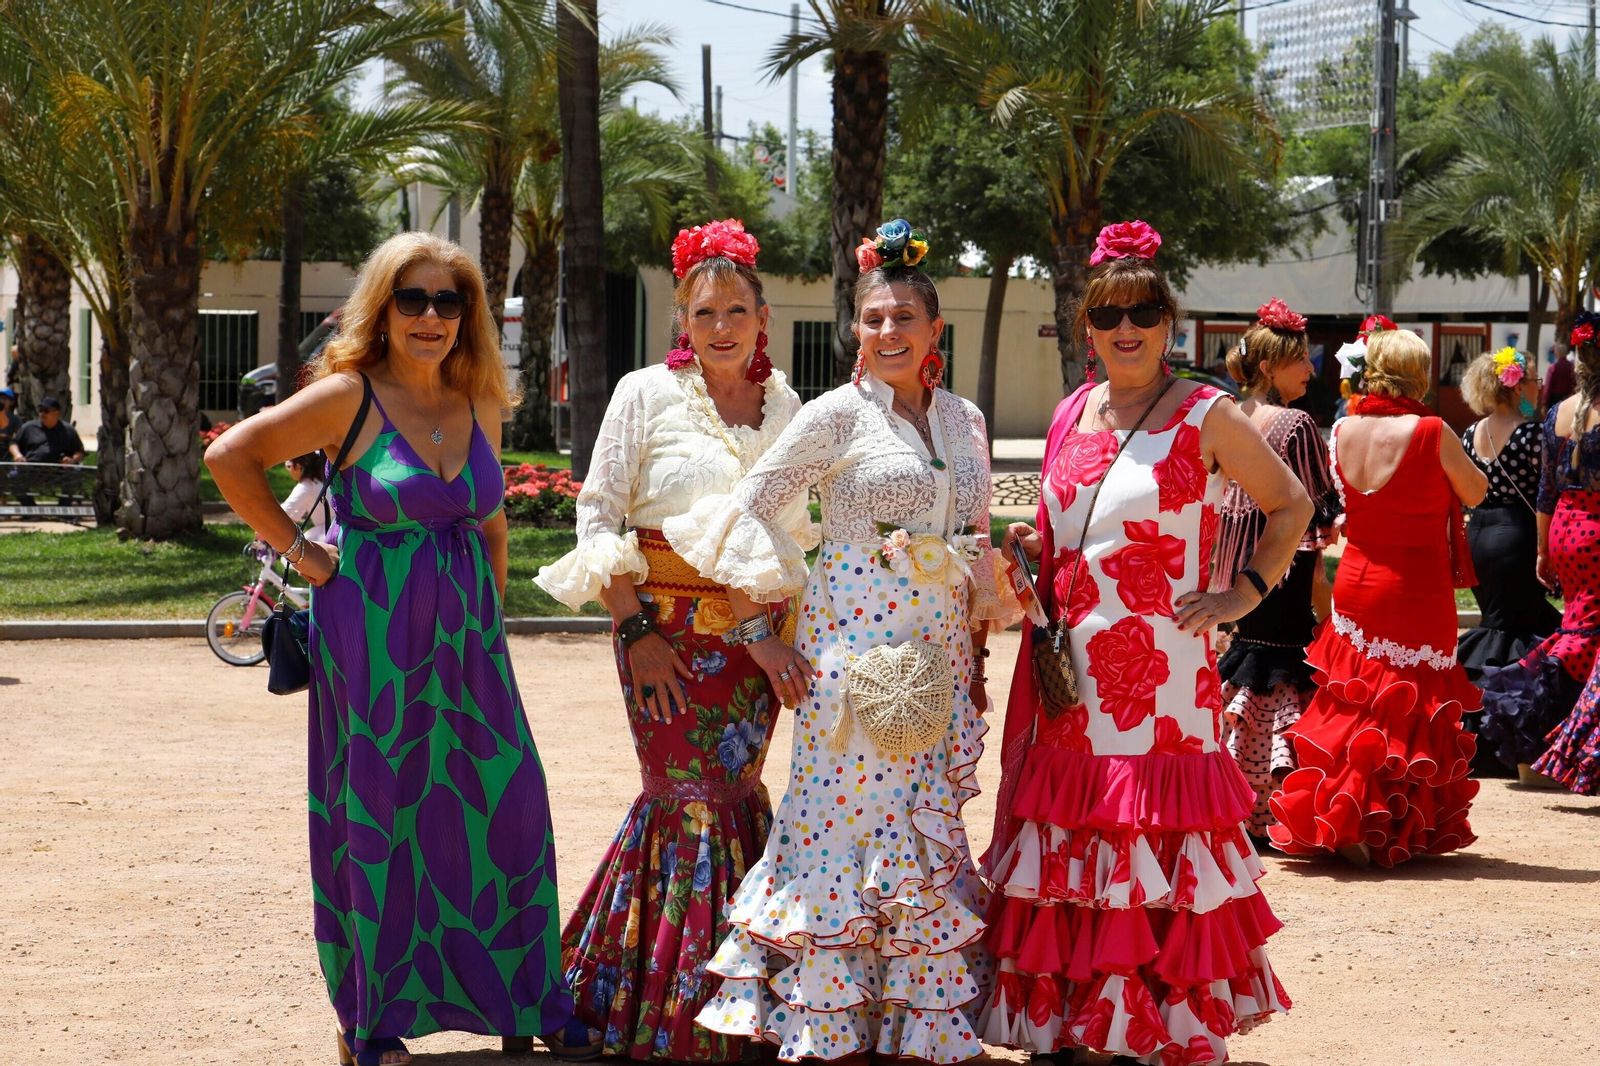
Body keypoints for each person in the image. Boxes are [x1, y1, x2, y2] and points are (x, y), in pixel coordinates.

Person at [204, 231, 598, 1066]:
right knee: (384, 817)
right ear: (382, 310)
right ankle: (373, 1021)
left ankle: (524, 999)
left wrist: (491, 618)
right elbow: (231, 456)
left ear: (468, 316)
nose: (429, 316)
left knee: (507, 807)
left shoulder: (477, 397)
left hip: (470, 643)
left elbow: (489, 522)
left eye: (446, 301)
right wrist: (302, 554)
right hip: (372, 640)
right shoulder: (347, 396)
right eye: (410, 299)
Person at [664, 220, 1015, 1063]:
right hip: (849, 656)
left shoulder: (967, 421)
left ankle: (908, 1022)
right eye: (873, 320)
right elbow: (740, 512)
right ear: (853, 331)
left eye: (904, 319)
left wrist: (974, 656)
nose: (888, 332)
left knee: (919, 825)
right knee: (842, 824)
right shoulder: (834, 416)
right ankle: (829, 1026)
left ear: (935, 331)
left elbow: (972, 537)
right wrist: (760, 633)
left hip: (936, 662)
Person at [979, 221, 1304, 1065]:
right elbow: (1066, 537)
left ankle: (1147, 1023)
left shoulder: (1208, 412)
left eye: (1145, 311)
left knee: (1145, 831)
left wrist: (1246, 589)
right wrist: (1029, 549)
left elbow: (1291, 506)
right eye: (1109, 313)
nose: (1127, 327)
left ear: (1170, 322)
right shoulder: (1069, 413)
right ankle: (1071, 1020)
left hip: (1163, 674)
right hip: (1070, 673)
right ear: (1086, 327)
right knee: (1076, 826)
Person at [534, 220, 814, 1063]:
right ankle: (656, 1006)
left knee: (734, 798)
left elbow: (791, 534)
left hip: (758, 647)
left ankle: (750, 1003)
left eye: (736, 310)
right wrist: (635, 629)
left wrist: (769, 635)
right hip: (663, 635)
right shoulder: (644, 392)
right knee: (684, 800)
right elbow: (599, 513)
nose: (720, 326)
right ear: (682, 323)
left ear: (764, 317)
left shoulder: (790, 408)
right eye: (703, 313)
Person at [1268, 327, 1487, 867]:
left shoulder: (1340, 429)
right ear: (1415, 375)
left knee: (1356, 704)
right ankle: (1381, 823)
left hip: (1356, 585)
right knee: (1405, 708)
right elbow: (1477, 491)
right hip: (1416, 588)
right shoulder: (1432, 430)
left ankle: (1344, 812)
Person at [1216, 298, 1343, 840]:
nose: (1312, 368)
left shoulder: (1230, 416)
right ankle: (1271, 808)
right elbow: (1321, 510)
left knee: (1241, 677)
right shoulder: (1295, 424)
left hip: (1226, 570)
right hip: (1280, 571)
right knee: (1280, 677)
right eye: (1302, 360)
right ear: (1269, 366)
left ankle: (1229, 797)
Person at [1479, 318, 1600, 784]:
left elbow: (1547, 490)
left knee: (1577, 629)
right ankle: (1563, 740)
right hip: (1594, 530)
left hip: (1566, 532)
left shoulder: (1558, 413)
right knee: (1584, 637)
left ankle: (1533, 730)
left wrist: (1543, 551)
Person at [1455, 351, 1559, 748]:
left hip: (1479, 534)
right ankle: (1513, 734)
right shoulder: (1531, 433)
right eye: (1532, 379)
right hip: (1517, 535)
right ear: (1516, 385)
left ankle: (1480, 726)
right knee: (1521, 630)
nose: (1537, 386)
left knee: (1499, 625)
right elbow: (1547, 492)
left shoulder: (1470, 433)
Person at [9, 396, 85, 464]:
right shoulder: (28, 427)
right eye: (40, 410)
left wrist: (72, 460)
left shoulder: (68, 430)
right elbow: (14, 443)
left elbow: (79, 451)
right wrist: (17, 455)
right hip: (31, 471)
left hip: (60, 474)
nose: (42, 413)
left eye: (46, 411)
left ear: (56, 412)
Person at [281, 450, 333, 543]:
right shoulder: (322, 480)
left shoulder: (307, 486)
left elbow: (283, 513)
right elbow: (294, 514)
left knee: (294, 551)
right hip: (341, 526)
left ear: (297, 467)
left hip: (329, 529)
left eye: (289, 466)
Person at [0, 387, 18, 455]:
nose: (2, 401)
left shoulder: (14, 418)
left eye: (5, 398)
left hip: (7, 449)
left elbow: (19, 435)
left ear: (11, 402)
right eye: (1, 398)